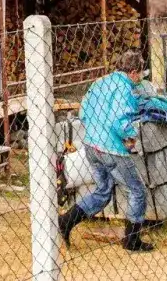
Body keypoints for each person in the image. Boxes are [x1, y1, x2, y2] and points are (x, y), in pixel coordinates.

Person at [59, 50, 155, 253]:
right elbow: (119, 121)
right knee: (137, 190)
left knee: (103, 191)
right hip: (112, 148)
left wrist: (96, 130)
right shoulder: (124, 89)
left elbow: (83, 111)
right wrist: (130, 137)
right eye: (140, 74)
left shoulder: (101, 82)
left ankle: (66, 221)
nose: (140, 78)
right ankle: (132, 240)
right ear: (133, 71)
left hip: (91, 145)